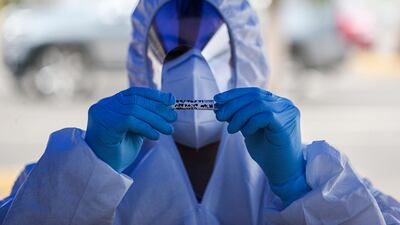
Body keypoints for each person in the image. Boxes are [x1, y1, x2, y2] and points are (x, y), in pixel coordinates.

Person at [1, 0, 399, 224]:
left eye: (213, 52)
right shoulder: (80, 169)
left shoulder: (316, 175)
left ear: (247, 61)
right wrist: (84, 179)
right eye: (171, 50)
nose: (191, 68)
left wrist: (298, 187)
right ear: (142, 64)